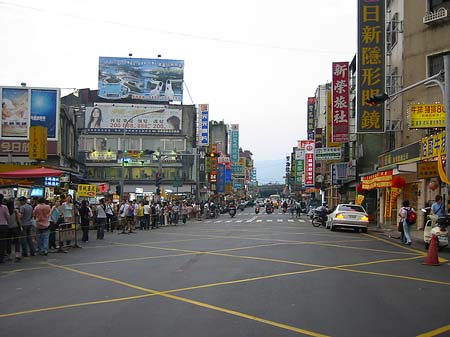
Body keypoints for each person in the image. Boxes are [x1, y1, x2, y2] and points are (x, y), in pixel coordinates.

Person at [0, 194, 11, 263]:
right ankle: (1, 258)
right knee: (3, 242)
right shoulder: (4, 207)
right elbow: (8, 217)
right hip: (3, 226)